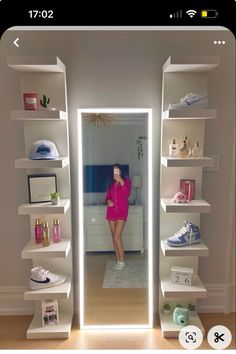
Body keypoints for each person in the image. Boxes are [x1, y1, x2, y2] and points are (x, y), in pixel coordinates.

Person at [105, 164, 131, 270]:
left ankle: (122, 261)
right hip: (111, 212)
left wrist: (121, 181)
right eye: (113, 170)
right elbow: (107, 197)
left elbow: (127, 194)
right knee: (113, 237)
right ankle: (118, 260)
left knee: (117, 237)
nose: (115, 172)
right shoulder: (110, 184)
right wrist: (108, 201)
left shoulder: (126, 181)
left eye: (117, 170)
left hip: (122, 212)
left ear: (120, 171)